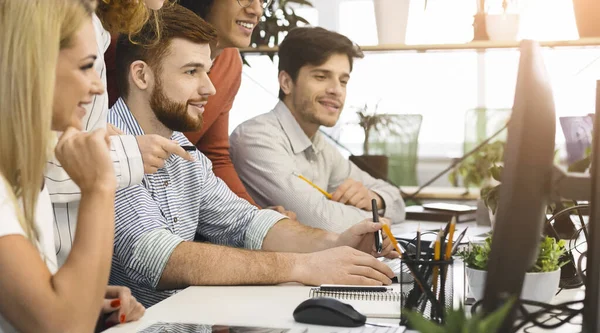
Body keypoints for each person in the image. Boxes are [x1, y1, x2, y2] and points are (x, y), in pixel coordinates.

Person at [109, 4, 398, 308]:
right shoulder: (111, 150)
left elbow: (247, 222)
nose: (209, 88)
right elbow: (158, 258)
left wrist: (337, 243)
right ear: (141, 75)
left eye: (207, 71)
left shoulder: (185, 153)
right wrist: (302, 266)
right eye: (192, 71)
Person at [0, 0, 143, 331]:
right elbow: (64, 326)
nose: (97, 86)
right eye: (85, 66)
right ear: (32, 65)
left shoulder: (22, 173)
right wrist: (98, 186)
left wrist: (85, 295)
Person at [48, 0, 194, 266]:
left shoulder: (95, 27)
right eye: (192, 71)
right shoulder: (59, 19)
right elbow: (24, 154)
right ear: (140, 75)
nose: (97, 87)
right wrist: (126, 155)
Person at [229, 27, 406, 233]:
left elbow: (398, 203)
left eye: (343, 81)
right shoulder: (256, 138)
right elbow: (324, 222)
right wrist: (377, 220)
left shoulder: (320, 146)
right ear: (286, 82)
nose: (336, 90)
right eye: (321, 76)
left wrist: (374, 198)